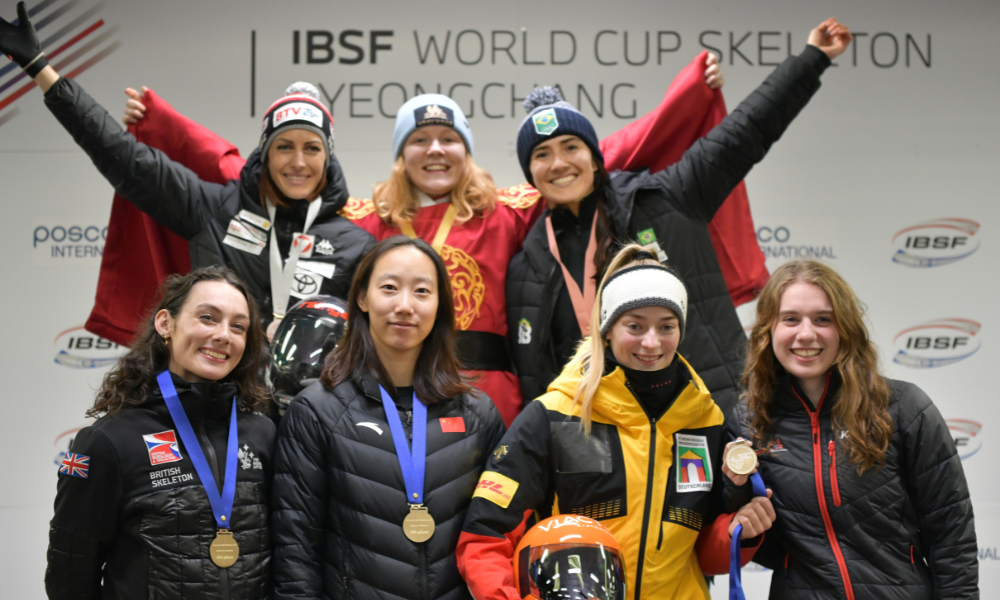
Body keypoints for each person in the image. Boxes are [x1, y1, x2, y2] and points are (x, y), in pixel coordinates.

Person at [112, 54, 739, 427]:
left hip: (491, 395)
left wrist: (685, 96)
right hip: (388, 389)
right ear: (401, 154)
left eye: (449, 139)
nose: (435, 149)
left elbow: (603, 158)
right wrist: (167, 126)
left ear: (466, 151)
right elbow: (239, 169)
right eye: (419, 139)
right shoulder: (362, 218)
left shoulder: (508, 210)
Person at [507, 18, 854, 417]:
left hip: (706, 411)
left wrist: (812, 59)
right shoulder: (527, 265)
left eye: (571, 146)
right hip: (603, 432)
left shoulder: (666, 198)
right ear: (529, 173)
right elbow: (535, 376)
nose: (559, 164)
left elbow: (747, 132)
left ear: (594, 156)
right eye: (541, 154)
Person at [0, 1, 374, 342]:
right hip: (220, 402)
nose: (298, 162)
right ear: (264, 153)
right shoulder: (216, 210)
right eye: (284, 146)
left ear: (327, 157)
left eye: (312, 148)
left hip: (308, 412)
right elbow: (124, 158)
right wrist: (40, 70)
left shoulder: (356, 244)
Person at [458, 244, 776, 600]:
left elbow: (703, 554)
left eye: (666, 326)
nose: (651, 342)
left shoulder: (705, 420)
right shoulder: (554, 415)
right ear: (607, 329)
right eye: (635, 326)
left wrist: (739, 533)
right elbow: (485, 536)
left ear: (681, 331)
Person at [724, 260, 978, 599]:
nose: (806, 334)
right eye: (790, 319)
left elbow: (952, 538)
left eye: (823, 319)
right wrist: (735, 492)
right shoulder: (749, 421)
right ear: (768, 329)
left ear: (845, 328)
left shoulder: (904, 408)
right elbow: (767, 551)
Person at [271, 236, 507, 600]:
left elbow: (499, 535)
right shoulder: (317, 410)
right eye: (389, 288)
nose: (404, 305)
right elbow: (296, 549)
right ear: (363, 298)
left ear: (440, 304)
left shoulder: (479, 414)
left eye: (422, 291)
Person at [45, 265, 275, 599]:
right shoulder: (109, 441)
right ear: (166, 323)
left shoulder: (263, 432)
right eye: (208, 317)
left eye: (238, 326)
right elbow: (70, 576)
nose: (224, 335)